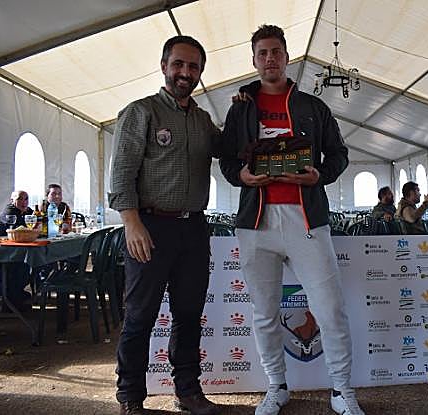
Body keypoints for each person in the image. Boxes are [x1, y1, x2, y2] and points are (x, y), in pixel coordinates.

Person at [219, 25, 364, 415]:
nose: (270, 58)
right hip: (256, 223)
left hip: (307, 220)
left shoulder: (313, 108)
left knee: (329, 308)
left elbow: (339, 155)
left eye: (276, 52)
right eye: (262, 53)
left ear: (286, 57)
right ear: (254, 59)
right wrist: (242, 176)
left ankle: (341, 390)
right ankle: (276, 386)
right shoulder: (240, 107)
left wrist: (320, 175)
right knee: (264, 312)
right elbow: (228, 160)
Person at [109, 35, 222, 415]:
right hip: (149, 228)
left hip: (194, 230)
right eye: (179, 64)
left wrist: (245, 106)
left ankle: (187, 391)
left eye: (193, 66)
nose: (185, 72)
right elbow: (121, 175)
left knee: (188, 316)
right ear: (164, 67)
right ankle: (130, 396)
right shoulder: (140, 112)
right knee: (140, 316)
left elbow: (230, 149)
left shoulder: (203, 121)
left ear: (200, 72)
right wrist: (132, 223)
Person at [0, 191, 34, 312]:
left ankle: (16, 298)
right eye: (20, 199)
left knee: (29, 264)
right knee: (21, 266)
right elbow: (20, 228)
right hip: (4, 253)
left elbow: (34, 222)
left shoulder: (27, 211)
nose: (24, 202)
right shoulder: (10, 212)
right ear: (12, 201)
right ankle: (11, 301)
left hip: (16, 249)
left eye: (26, 199)